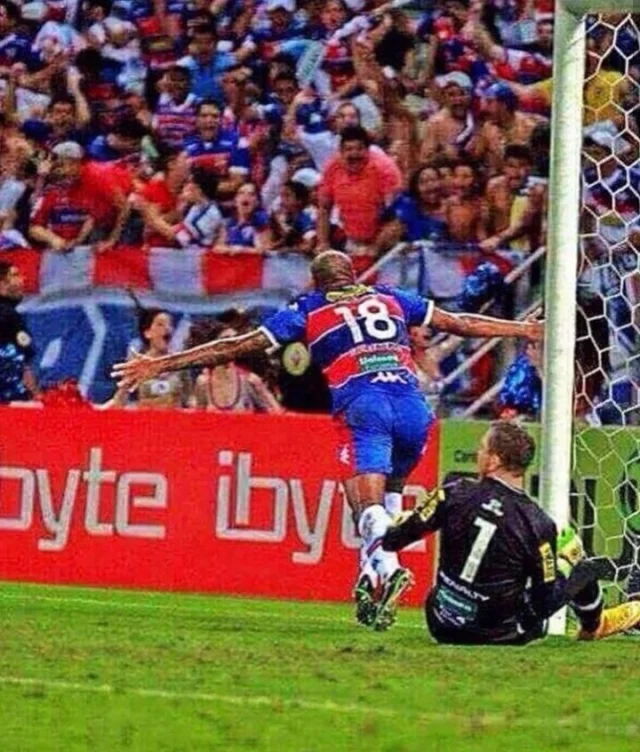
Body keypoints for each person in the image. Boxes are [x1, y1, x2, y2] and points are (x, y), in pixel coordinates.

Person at [112, 250, 543, 630]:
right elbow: (460, 323)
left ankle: (388, 567)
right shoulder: (389, 297)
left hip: (365, 404)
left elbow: (239, 346)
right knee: (389, 494)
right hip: (414, 408)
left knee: (364, 503)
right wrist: (522, 330)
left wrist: (162, 364)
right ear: (354, 275)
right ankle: (369, 581)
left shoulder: (309, 308)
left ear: (316, 282)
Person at [383, 421, 640, 644]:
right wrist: (563, 562)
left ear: (494, 460)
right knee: (584, 568)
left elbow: (392, 541)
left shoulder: (453, 491)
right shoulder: (537, 522)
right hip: (498, 635)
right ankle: (595, 627)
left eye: (482, 448)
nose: (478, 453)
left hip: (440, 623)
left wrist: (405, 521)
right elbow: (543, 603)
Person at [0, 261, 36, 403]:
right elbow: (23, 364)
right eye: (15, 275)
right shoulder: (9, 316)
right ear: (1, 284)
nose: (22, 279)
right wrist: (36, 395)